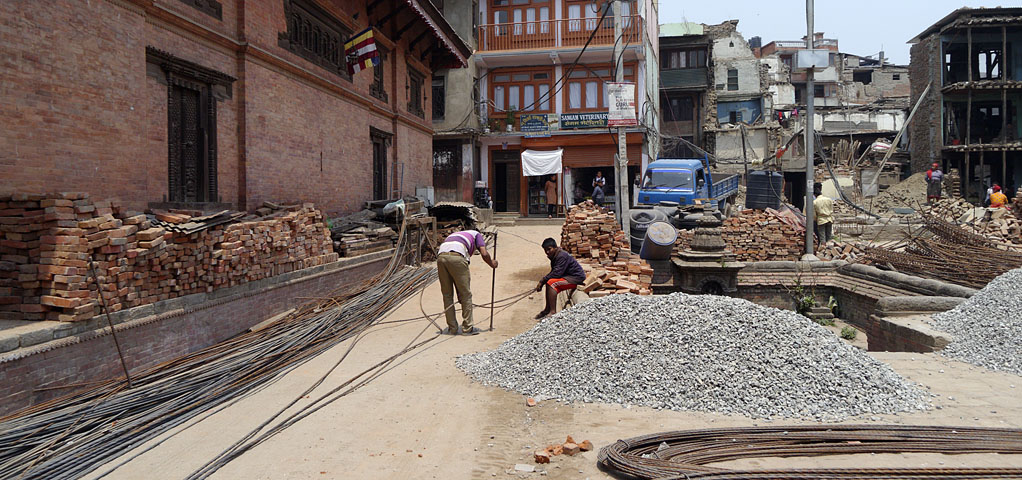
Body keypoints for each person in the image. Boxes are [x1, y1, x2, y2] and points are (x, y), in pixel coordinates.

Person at [436, 229, 497, 335]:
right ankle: (467, 328)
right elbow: (484, 253)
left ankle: (452, 328)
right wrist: (492, 263)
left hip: (441, 257)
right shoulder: (477, 235)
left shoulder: (456, 235)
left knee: (447, 295)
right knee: (466, 295)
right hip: (458, 257)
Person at [534, 238, 586, 319]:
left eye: (549, 249)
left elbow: (556, 274)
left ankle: (553, 312)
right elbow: (554, 272)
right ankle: (547, 309)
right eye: (545, 250)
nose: (547, 252)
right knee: (549, 282)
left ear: (555, 247)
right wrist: (543, 281)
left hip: (575, 278)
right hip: (567, 276)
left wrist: (542, 281)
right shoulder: (555, 255)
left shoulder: (561, 256)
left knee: (552, 284)